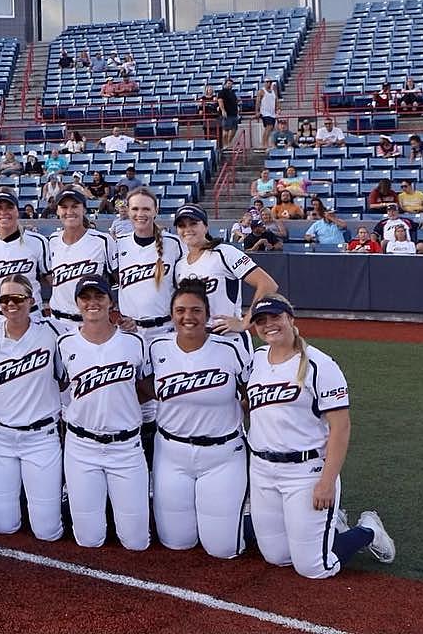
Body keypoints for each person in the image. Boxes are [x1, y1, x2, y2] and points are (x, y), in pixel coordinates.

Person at [246, 295, 395, 577]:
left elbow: (341, 427)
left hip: (306, 471)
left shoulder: (319, 365)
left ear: (291, 318)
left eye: (275, 318)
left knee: (315, 567)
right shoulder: (256, 360)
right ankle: (330, 523)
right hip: (263, 470)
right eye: (261, 321)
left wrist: (326, 482)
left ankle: (369, 530)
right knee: (277, 557)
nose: (269, 325)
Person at [145, 281, 252, 558]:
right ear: (171, 314)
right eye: (180, 310)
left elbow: (252, 393)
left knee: (224, 549)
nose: (188, 317)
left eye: (196, 310)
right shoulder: (157, 348)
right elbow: (142, 387)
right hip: (171, 453)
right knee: (177, 542)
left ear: (207, 313)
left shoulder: (229, 349)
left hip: (222, 454)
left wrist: (237, 414)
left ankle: (266, 519)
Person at [56, 274, 150, 551]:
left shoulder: (135, 342)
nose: (92, 302)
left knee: (136, 542)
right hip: (81, 448)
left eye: (99, 296)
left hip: (126, 448)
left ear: (111, 301)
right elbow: (60, 387)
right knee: (89, 539)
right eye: (86, 297)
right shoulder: (64, 345)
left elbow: (145, 388)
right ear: (77, 303)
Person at [0, 273, 64, 541]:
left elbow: (62, 378)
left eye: (17, 298)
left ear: (32, 299)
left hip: (41, 438)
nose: (10, 304)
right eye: (4, 299)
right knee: (4, 526)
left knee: (47, 532)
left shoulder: (51, 333)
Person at [172, 204, 279, 333]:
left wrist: (244, 322)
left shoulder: (224, 252)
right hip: (196, 338)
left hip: (226, 337)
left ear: (206, 227)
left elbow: (268, 285)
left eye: (193, 223)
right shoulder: (179, 265)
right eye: (182, 226)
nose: (187, 229)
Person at [0, 189, 52, 327]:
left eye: (9, 207)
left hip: (31, 316)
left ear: (17, 211)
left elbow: (52, 281)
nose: (3, 212)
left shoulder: (37, 241)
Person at [45, 188, 116, 333]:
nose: (69, 211)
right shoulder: (52, 240)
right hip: (57, 321)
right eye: (64, 207)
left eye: (75, 206)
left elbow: (118, 279)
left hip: (90, 321)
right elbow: (49, 276)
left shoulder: (102, 240)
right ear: (57, 211)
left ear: (84, 210)